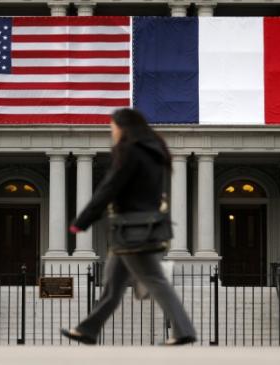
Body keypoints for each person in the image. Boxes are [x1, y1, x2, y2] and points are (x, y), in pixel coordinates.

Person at [61, 108, 197, 346]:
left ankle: (183, 329)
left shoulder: (130, 151)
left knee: (155, 279)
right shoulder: (157, 153)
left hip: (131, 230)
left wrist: (82, 221)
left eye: (112, 126)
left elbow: (109, 187)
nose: (111, 131)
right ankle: (88, 330)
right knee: (112, 287)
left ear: (123, 127)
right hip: (143, 226)